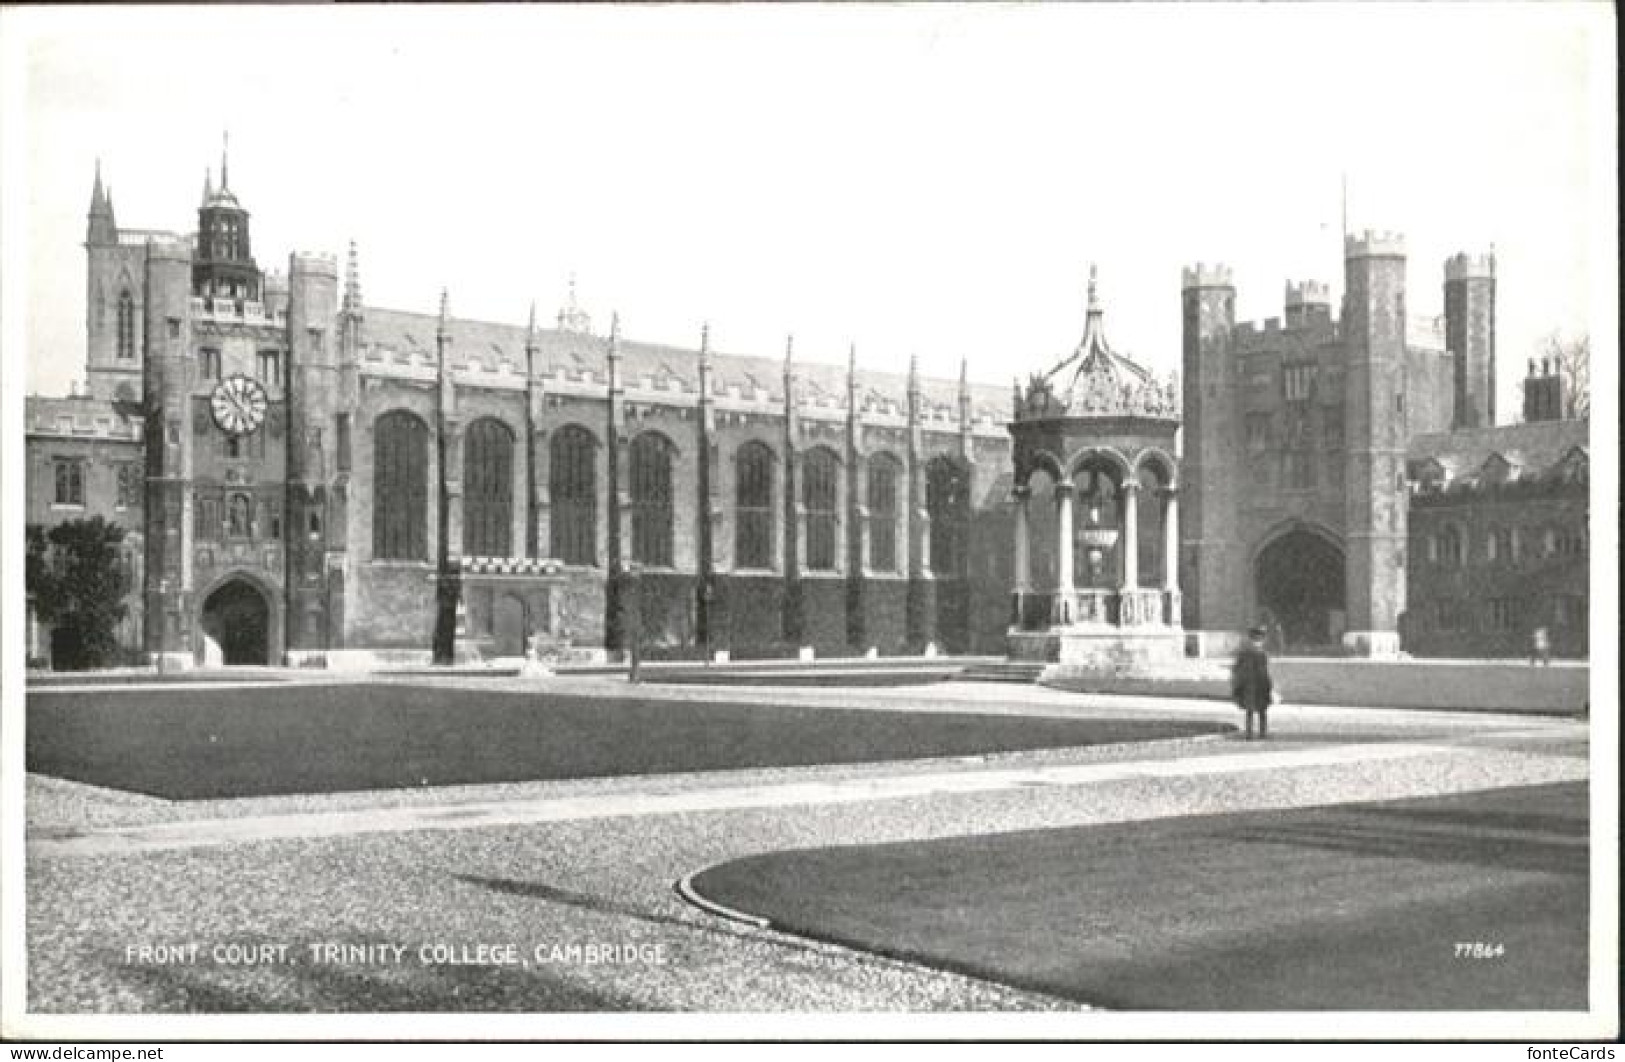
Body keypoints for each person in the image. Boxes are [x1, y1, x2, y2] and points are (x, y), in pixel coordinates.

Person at [1231, 625, 1275, 740]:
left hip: (1257, 685)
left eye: (1259, 639)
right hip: (1252, 685)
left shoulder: (1258, 654)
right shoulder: (1254, 654)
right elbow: (1238, 669)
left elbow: (1265, 671)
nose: (1257, 642)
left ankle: (1258, 733)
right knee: (1253, 710)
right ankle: (1253, 733)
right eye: (1256, 639)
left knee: (1259, 710)